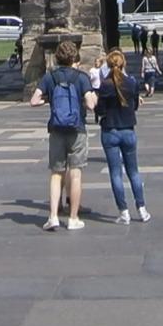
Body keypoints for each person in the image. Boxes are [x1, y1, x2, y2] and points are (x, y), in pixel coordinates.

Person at [29, 39, 98, 231]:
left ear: (58, 58)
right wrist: (91, 97)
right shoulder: (81, 77)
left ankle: (53, 216)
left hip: (57, 129)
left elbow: (34, 100)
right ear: (74, 57)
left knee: (56, 174)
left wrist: (47, 100)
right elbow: (91, 105)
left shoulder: (50, 77)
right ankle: (73, 218)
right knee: (75, 174)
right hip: (77, 129)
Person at [96, 50, 151, 224]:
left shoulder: (105, 85)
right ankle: (142, 209)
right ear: (123, 64)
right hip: (128, 130)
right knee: (133, 172)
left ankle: (124, 212)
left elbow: (100, 110)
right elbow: (134, 106)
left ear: (109, 65)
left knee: (115, 173)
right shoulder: (132, 83)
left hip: (110, 131)